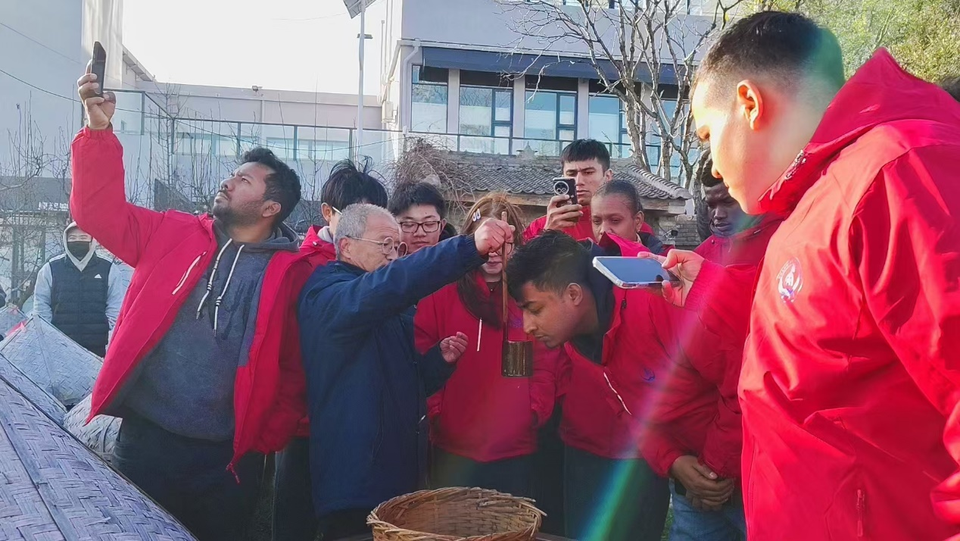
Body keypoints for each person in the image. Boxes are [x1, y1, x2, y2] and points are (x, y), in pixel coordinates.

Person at [644, 11, 960, 540]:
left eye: (707, 134)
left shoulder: (897, 170)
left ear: (749, 104)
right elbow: (832, 327)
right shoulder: (817, 198)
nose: (714, 167)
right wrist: (710, 287)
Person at [74, 66, 311, 541]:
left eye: (244, 180)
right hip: (145, 443)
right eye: (232, 175)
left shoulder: (291, 274)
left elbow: (294, 368)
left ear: (271, 208)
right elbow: (97, 213)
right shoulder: (174, 232)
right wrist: (98, 133)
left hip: (225, 462)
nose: (228, 182)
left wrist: (263, 440)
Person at [298, 204, 514, 539]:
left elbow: (406, 385)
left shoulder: (387, 307)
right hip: (354, 483)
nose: (394, 256)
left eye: (397, 248)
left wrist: (437, 363)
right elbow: (392, 284)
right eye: (385, 244)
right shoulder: (329, 294)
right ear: (347, 246)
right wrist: (467, 247)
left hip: (396, 483)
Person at [508, 231, 673, 541]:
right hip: (585, 447)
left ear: (573, 295)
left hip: (647, 461)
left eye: (534, 310)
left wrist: (693, 458)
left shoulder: (652, 299)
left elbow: (717, 377)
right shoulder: (569, 325)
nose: (528, 326)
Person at [273, 160, 389, 541]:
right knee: (299, 522)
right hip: (304, 424)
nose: (368, 222)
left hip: (358, 426)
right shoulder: (299, 267)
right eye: (357, 214)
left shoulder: (382, 263)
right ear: (328, 213)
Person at [415, 193, 560, 498]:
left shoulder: (531, 296)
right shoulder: (441, 290)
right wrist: (436, 412)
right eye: (487, 244)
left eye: (504, 244)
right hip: (452, 446)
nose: (494, 254)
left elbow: (546, 362)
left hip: (515, 449)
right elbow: (422, 353)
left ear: (517, 243)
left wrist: (534, 411)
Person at [526, 139, 667, 253]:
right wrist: (547, 235)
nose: (578, 182)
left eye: (588, 172)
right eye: (571, 174)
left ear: (608, 176)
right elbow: (521, 277)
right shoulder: (540, 227)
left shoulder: (635, 226)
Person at [31, 222, 126, 357]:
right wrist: (48, 330)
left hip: (96, 347)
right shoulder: (51, 268)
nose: (77, 241)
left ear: (92, 240)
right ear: (65, 240)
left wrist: (107, 326)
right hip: (59, 345)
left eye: (83, 238)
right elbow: (41, 302)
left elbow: (116, 303)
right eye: (73, 238)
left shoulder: (108, 268)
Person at [388, 180, 447, 254]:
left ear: (441, 226)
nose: (420, 233)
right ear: (392, 226)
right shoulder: (382, 263)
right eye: (409, 224)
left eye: (429, 224)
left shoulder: (456, 262)